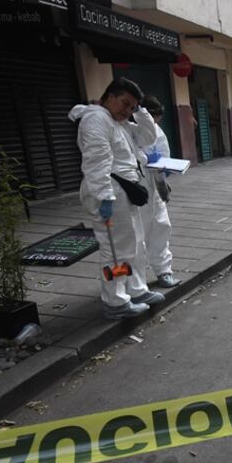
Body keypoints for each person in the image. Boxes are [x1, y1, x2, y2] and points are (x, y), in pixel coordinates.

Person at [69, 77, 165, 320]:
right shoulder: (97, 119)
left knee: (132, 245)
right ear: (109, 97)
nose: (128, 110)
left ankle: (134, 290)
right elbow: (96, 160)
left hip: (122, 191)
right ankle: (115, 301)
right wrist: (104, 197)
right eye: (125, 103)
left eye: (132, 107)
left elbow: (147, 136)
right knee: (114, 250)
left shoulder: (117, 122)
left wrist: (140, 110)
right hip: (110, 191)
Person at [136, 96, 181, 289]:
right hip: (134, 188)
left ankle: (164, 271)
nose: (155, 123)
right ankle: (135, 281)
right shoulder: (128, 129)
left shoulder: (157, 131)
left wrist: (165, 173)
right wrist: (144, 159)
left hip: (153, 187)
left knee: (161, 227)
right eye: (154, 118)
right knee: (137, 235)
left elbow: (164, 154)